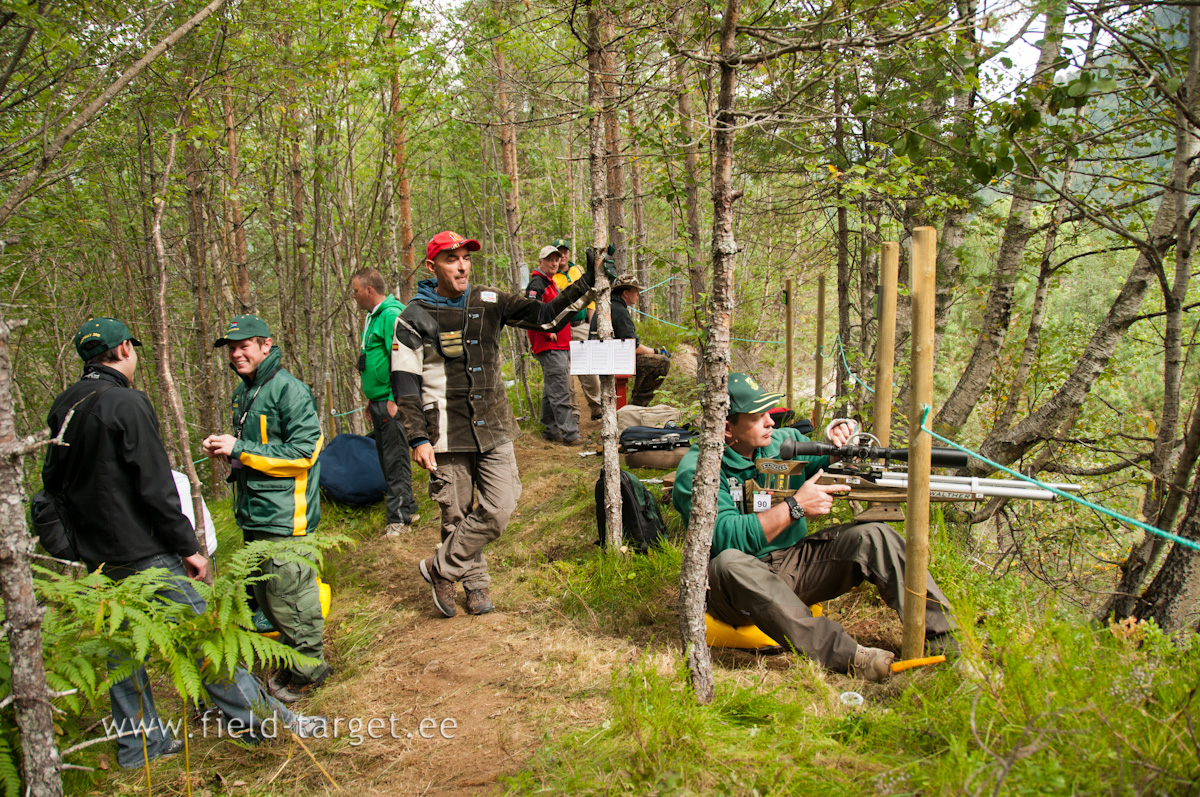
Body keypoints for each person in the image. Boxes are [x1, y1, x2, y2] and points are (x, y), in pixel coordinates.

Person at [43, 317, 324, 769]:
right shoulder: (127, 403)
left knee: (123, 652)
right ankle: (265, 726)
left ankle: (140, 747)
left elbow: (52, 485)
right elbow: (155, 487)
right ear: (123, 351)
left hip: (96, 557)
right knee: (207, 637)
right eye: (133, 346)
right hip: (145, 550)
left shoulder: (65, 405)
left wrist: (71, 547)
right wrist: (188, 547)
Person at [671, 373, 957, 682]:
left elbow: (824, 456)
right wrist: (795, 507)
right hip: (732, 588)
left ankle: (949, 643)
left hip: (789, 565)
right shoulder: (697, 469)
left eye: (769, 413)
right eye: (758, 417)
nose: (770, 422)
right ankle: (852, 658)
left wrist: (841, 441)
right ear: (727, 428)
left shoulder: (778, 444)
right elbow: (728, 538)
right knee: (728, 563)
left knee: (874, 535)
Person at [391, 230, 595, 618]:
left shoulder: (488, 300)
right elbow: (405, 383)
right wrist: (417, 436)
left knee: (500, 506)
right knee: (455, 513)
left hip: (494, 425)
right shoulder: (413, 316)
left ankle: (439, 568)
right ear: (432, 267)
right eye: (452, 259)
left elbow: (546, 319)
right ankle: (475, 587)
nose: (463, 265)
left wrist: (587, 282)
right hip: (445, 431)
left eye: (466, 257)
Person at [201, 314, 329, 703]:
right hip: (254, 511)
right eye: (231, 348)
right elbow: (261, 448)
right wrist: (232, 454)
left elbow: (305, 452)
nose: (237, 354)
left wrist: (240, 449)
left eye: (244, 346)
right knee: (270, 598)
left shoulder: (288, 390)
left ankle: (310, 672)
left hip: (285, 515)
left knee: (293, 596)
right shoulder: (247, 391)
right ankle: (292, 662)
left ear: (266, 346)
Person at [351, 267, 420, 536]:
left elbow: (407, 356)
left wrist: (395, 397)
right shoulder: (373, 317)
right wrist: (372, 398)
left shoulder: (392, 314)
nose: (354, 296)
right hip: (378, 400)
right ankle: (407, 507)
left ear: (369, 290)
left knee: (395, 458)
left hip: (393, 402)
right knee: (386, 458)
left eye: (356, 291)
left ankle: (399, 518)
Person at [524, 245, 581, 445]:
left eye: (556, 259)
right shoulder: (537, 283)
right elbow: (532, 311)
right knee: (560, 390)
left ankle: (550, 430)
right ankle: (570, 435)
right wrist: (547, 331)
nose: (554, 263)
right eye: (549, 260)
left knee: (552, 390)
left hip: (560, 344)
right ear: (540, 262)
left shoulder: (550, 282)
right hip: (549, 345)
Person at [589, 273, 670, 406]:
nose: (638, 295)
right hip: (610, 361)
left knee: (648, 360)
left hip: (600, 358)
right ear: (626, 293)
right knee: (661, 362)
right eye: (636, 291)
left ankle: (635, 403)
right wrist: (656, 351)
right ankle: (637, 405)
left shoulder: (607, 306)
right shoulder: (619, 311)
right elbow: (633, 346)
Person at [550, 238, 602, 422]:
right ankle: (574, 413)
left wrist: (591, 325)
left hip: (581, 326)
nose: (562, 256)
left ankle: (597, 407)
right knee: (566, 374)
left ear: (568, 253)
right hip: (562, 328)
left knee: (589, 370)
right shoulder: (552, 277)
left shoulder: (578, 270)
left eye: (565, 252)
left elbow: (590, 297)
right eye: (558, 253)